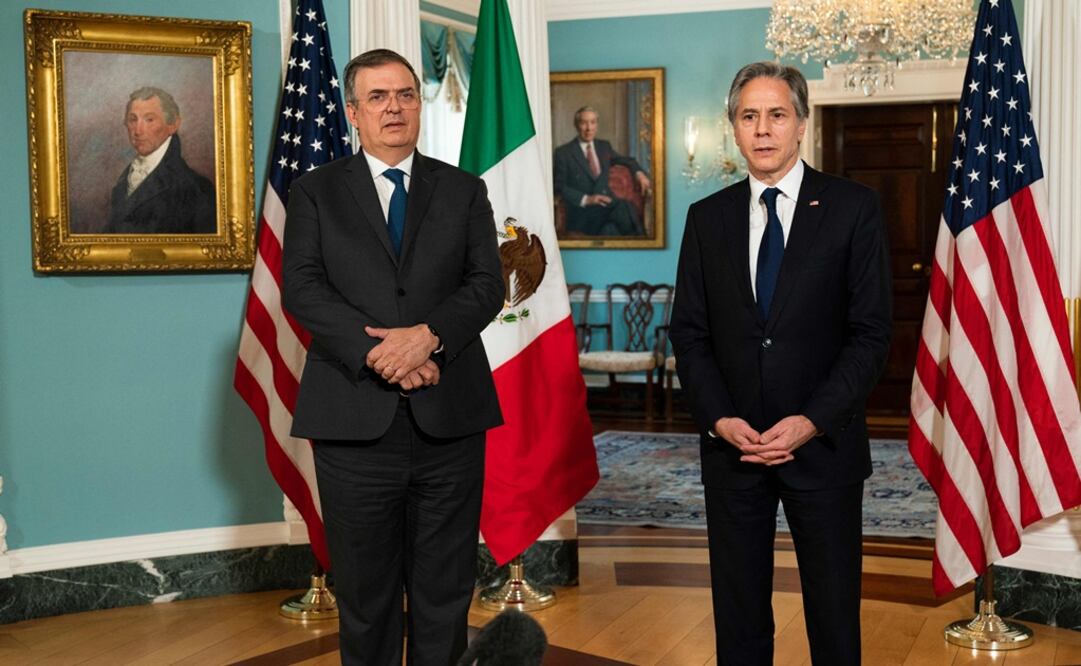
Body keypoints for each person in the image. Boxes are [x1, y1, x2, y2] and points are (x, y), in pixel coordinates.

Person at [281, 49, 504, 664]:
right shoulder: (315, 192)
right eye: (378, 97)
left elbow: (487, 284)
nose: (395, 107)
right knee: (365, 593)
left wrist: (427, 337)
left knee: (445, 592)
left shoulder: (463, 190)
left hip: (450, 417)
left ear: (419, 103)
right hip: (353, 421)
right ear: (353, 111)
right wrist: (386, 352)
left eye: (406, 94)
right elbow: (301, 287)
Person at [669, 61, 892, 665]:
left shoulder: (852, 209)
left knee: (834, 616)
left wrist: (811, 420)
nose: (762, 129)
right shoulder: (706, 218)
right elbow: (689, 335)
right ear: (733, 129)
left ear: (800, 124)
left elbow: (870, 336)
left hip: (823, 447)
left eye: (776, 114)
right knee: (739, 618)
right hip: (734, 451)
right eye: (749, 116)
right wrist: (719, 419)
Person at [105, 86, 216, 234]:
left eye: (149, 120)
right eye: (133, 120)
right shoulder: (124, 180)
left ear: (173, 125)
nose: (138, 131)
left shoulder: (197, 189)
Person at [553, 106, 651, 236]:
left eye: (593, 122)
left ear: (597, 125)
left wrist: (639, 174)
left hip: (607, 209)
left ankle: (640, 242)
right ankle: (644, 242)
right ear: (576, 125)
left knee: (611, 230)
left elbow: (628, 161)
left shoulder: (604, 146)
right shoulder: (564, 153)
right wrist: (587, 199)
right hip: (583, 213)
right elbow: (558, 186)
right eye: (584, 123)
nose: (589, 128)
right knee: (624, 207)